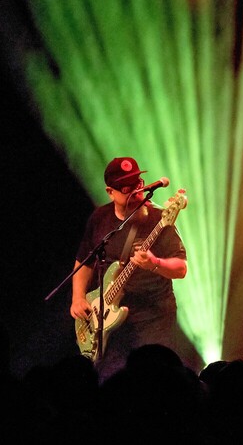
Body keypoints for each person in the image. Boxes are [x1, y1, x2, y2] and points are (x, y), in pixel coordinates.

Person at [70, 157, 187, 381]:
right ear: (111, 192)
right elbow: (84, 261)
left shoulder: (160, 219)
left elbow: (181, 268)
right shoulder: (100, 218)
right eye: (127, 188)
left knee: (152, 380)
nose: (136, 190)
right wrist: (77, 298)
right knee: (110, 381)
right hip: (109, 322)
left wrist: (155, 263)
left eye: (138, 183)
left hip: (152, 318)